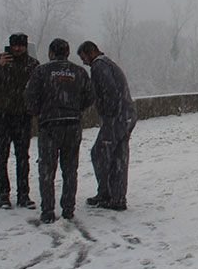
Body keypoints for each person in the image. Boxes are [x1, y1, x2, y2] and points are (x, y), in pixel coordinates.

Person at [24, 38, 94, 223]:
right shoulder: (79, 72)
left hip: (49, 125)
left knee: (47, 169)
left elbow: (30, 98)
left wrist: (40, 111)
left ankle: (48, 211)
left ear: (51, 53)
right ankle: (68, 209)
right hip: (72, 124)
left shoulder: (41, 72)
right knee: (70, 169)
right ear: (68, 52)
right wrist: (75, 108)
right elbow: (90, 96)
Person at [0, 33, 40, 210]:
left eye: (21, 46)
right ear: (10, 45)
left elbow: (39, 86)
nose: (18, 49)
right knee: (2, 156)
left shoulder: (32, 64)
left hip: (23, 116)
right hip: (2, 115)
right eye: (15, 45)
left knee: (23, 157)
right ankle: (3, 194)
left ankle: (24, 194)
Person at [77, 40, 137, 212]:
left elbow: (109, 92)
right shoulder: (108, 63)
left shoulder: (99, 66)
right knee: (118, 155)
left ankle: (110, 195)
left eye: (83, 57)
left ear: (90, 53)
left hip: (116, 118)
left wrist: (108, 115)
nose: (83, 62)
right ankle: (114, 196)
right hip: (126, 116)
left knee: (101, 154)